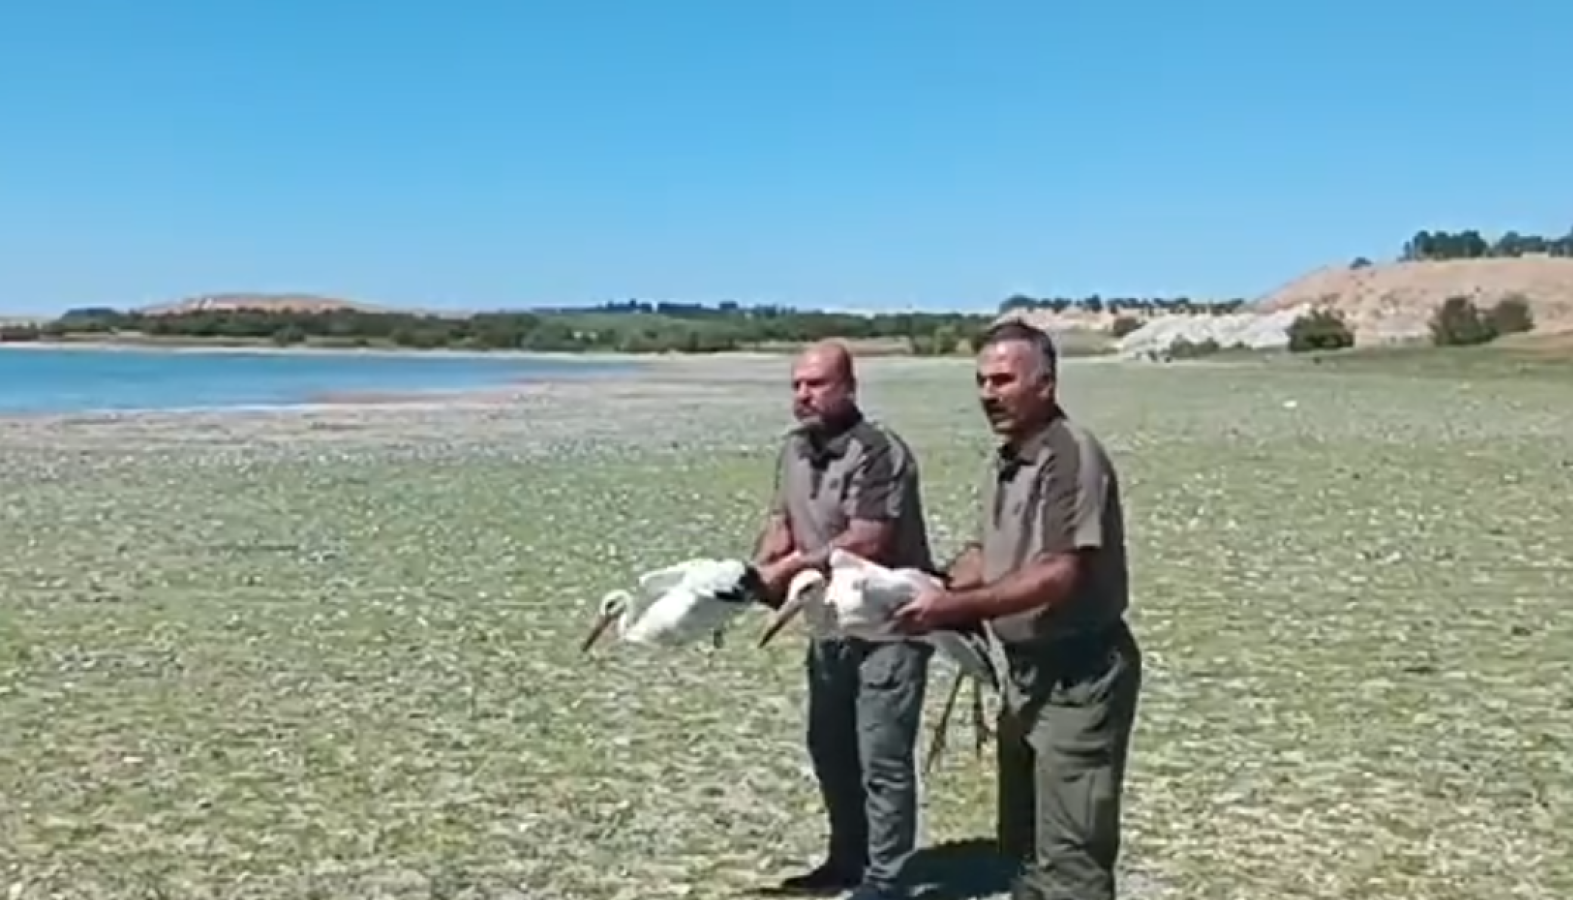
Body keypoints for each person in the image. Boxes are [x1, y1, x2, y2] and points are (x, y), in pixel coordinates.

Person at [892, 320, 1142, 900]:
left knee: (1072, 855)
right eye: (981, 380)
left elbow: (1061, 572)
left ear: (1046, 384)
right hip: (1023, 675)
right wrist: (921, 588)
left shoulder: (1070, 456)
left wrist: (952, 606)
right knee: (1023, 848)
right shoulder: (1008, 459)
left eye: (1003, 379)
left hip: (1080, 676)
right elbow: (989, 553)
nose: (988, 393)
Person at [751, 340, 937, 900]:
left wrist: (790, 564)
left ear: (849, 387)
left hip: (889, 622)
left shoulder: (878, 451)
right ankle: (846, 861)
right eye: (797, 385)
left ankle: (886, 879)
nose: (804, 395)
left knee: (881, 753)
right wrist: (753, 575)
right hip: (829, 622)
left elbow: (869, 538)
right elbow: (781, 521)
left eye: (817, 384)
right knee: (830, 746)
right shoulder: (793, 450)